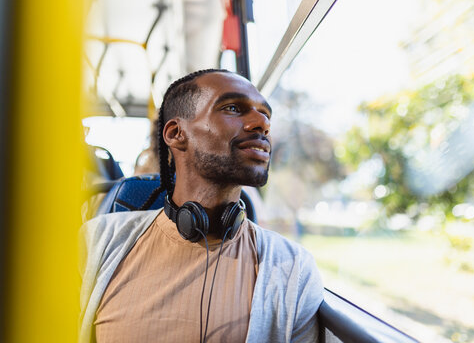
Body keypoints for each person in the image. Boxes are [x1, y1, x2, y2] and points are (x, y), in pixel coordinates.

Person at [79, 69, 324, 343]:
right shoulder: (97, 242)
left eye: (266, 115)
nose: (262, 124)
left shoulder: (293, 268)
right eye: (233, 108)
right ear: (176, 133)